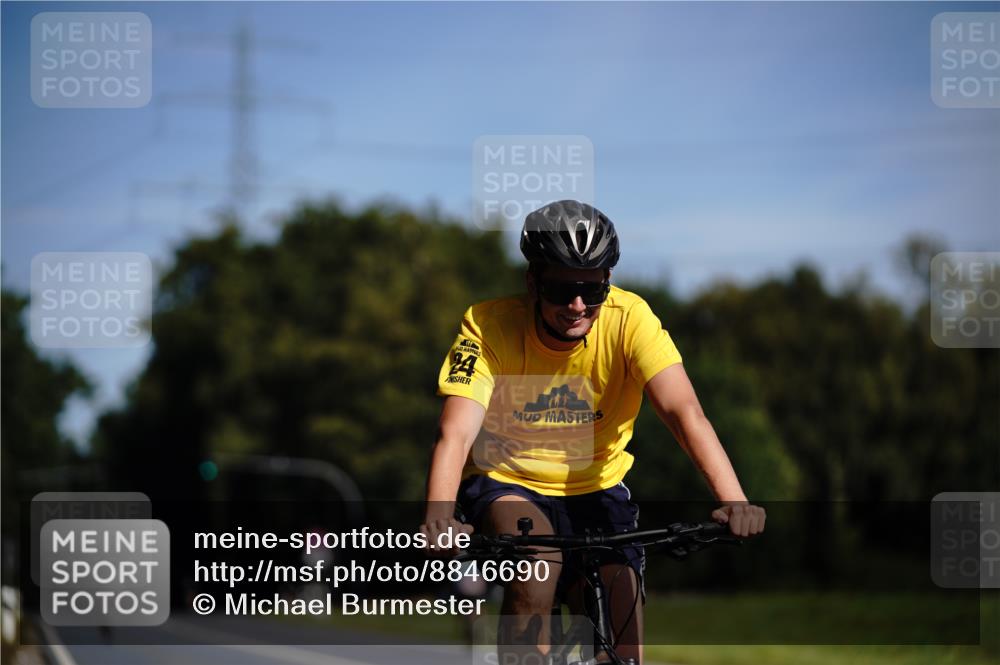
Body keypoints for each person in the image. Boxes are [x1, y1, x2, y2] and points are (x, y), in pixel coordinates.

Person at [421, 200, 765, 664]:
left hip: (598, 486)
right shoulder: (487, 327)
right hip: (509, 481)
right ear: (532, 282)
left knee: (623, 626)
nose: (578, 305)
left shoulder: (630, 319)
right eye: (562, 288)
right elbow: (456, 434)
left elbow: (685, 414)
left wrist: (734, 500)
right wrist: (439, 517)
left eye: (592, 288)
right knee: (536, 563)